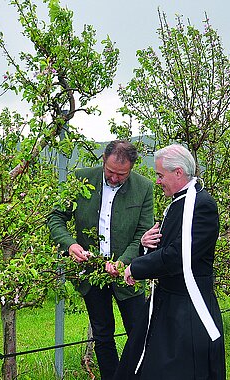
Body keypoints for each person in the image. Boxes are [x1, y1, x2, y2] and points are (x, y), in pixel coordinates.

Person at [115, 144, 226, 380]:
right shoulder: (180, 202)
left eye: (159, 175)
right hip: (167, 304)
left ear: (178, 172)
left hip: (187, 310)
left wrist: (136, 267)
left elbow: (179, 256)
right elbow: (166, 247)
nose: (157, 181)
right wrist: (145, 244)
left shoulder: (201, 205)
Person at [47, 140, 154, 380]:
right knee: (103, 334)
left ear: (131, 169)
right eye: (110, 172)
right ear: (103, 160)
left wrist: (124, 262)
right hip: (91, 271)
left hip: (128, 275)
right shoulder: (81, 178)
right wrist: (70, 244)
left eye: (121, 175)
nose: (115, 179)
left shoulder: (143, 187)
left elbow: (143, 233)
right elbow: (56, 217)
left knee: (138, 333)